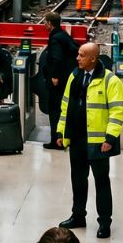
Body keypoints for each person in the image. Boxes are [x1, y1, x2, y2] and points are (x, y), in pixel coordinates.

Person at [56, 42, 123, 239]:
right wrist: (61, 133)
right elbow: (65, 106)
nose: (77, 58)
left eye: (82, 55)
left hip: (98, 142)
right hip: (77, 139)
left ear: (93, 59)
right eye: (78, 54)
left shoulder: (110, 81)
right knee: (78, 179)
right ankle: (78, 216)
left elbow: (117, 111)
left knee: (102, 182)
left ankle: (104, 222)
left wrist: (110, 138)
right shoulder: (74, 76)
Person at [40, 12, 78, 151]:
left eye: (45, 22)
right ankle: (64, 138)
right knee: (64, 109)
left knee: (55, 110)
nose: (44, 24)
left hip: (59, 81)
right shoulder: (63, 35)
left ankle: (56, 141)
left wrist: (54, 77)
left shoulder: (55, 38)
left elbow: (57, 58)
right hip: (67, 79)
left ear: (50, 23)